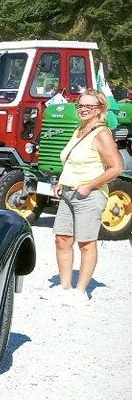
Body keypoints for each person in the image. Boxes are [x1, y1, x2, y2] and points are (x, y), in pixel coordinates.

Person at [49, 88, 123, 305]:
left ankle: (80, 292)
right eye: (80, 105)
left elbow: (116, 167)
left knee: (86, 243)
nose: (83, 109)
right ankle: (64, 288)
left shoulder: (101, 133)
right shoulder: (79, 130)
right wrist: (61, 182)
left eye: (89, 106)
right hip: (69, 192)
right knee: (62, 239)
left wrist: (89, 186)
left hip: (89, 195)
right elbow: (71, 161)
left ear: (100, 109)